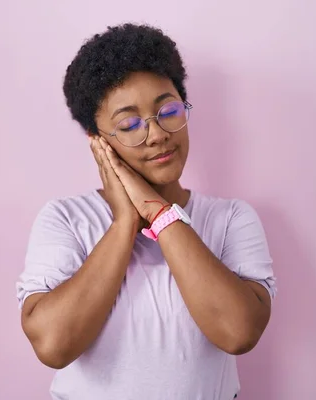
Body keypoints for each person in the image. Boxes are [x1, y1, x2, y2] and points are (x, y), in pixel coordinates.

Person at [15, 23, 276, 400]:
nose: (157, 134)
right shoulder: (66, 220)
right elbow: (54, 344)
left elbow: (238, 332)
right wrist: (124, 223)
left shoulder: (231, 219)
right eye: (130, 124)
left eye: (168, 110)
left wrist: (157, 211)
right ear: (99, 142)